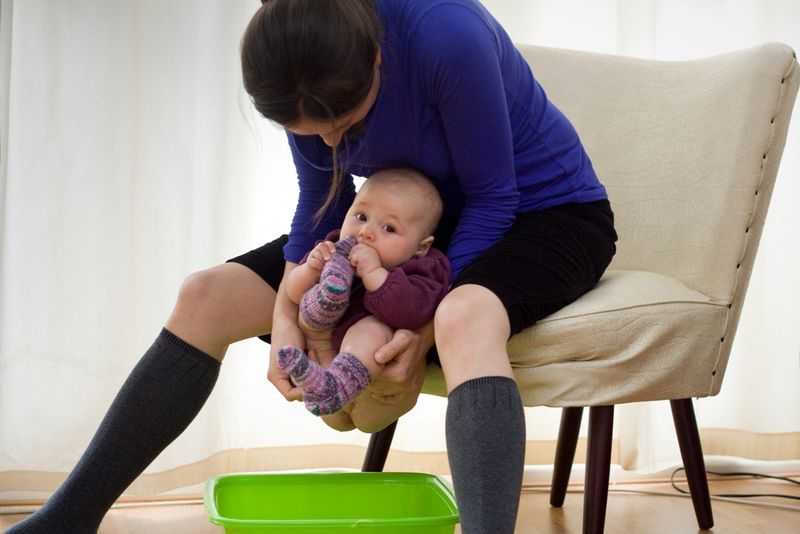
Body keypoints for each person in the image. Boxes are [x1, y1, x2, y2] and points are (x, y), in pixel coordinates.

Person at [6, 1, 617, 533]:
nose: (330, 144)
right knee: (205, 296)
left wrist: (422, 321)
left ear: (378, 59)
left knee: (464, 315)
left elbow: (493, 196)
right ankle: (66, 520)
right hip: (396, 230)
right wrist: (285, 313)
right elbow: (318, 196)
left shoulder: (443, 32)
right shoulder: (299, 50)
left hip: (545, 214)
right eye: (306, 131)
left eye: (345, 126)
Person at [279, 168, 450, 431]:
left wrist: (374, 274)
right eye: (361, 216)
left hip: (376, 393)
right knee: (307, 311)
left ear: (421, 246)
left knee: (371, 329)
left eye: (389, 228)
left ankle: (334, 385)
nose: (366, 232)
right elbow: (294, 292)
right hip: (326, 357)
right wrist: (310, 270)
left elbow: (411, 313)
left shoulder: (425, 267)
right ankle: (327, 311)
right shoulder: (333, 246)